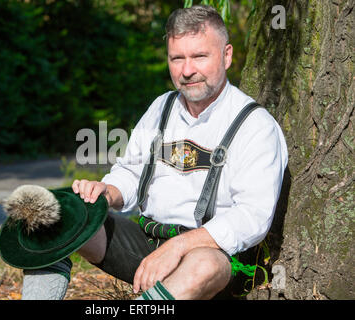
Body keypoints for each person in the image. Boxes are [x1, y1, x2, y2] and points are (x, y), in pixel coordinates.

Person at [23, 4, 288, 300]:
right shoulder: (161, 108)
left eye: (200, 56)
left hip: (216, 262)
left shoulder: (255, 125)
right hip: (149, 247)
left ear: (226, 56)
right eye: (177, 59)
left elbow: (252, 218)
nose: (187, 71)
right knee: (54, 216)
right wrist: (106, 193)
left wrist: (179, 247)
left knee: (202, 264)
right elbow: (130, 173)